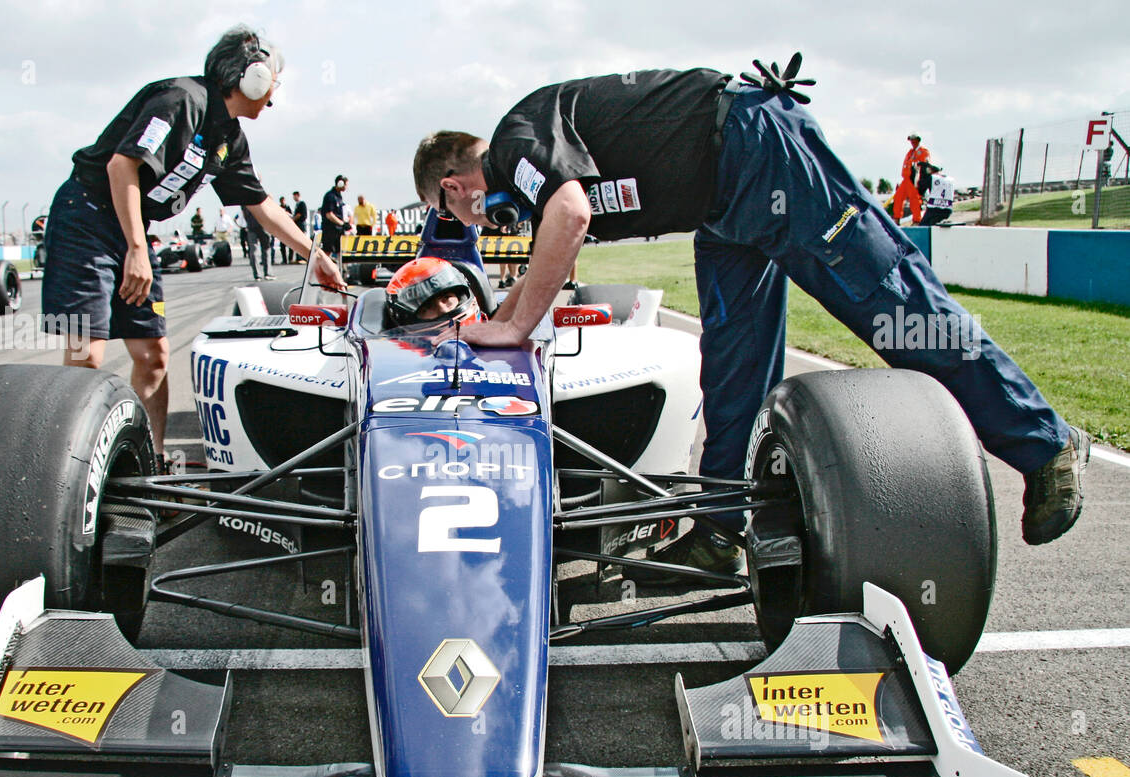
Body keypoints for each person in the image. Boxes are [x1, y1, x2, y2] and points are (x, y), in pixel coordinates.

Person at [412, 56, 1089, 561]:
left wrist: (510, 326)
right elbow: (559, 236)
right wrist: (509, 311)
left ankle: (1044, 441)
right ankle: (717, 531)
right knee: (732, 373)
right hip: (724, 199)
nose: (467, 221)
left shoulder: (509, 144)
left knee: (892, 305)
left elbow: (571, 213)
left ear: (450, 186)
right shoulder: (521, 159)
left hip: (755, 147)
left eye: (451, 210)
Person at [41, 26, 343, 456]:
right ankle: (64, 467)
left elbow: (263, 206)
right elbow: (120, 167)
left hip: (131, 229)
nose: (275, 92)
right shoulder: (181, 99)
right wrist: (137, 250)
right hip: (86, 216)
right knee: (85, 352)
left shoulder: (229, 137)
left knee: (153, 355)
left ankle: (151, 466)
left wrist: (316, 258)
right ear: (252, 76)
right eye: (273, 79)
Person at [385, 257, 484, 327]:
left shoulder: (496, 333)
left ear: (461, 295)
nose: (443, 309)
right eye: (428, 307)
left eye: (446, 297)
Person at [892, 133, 930, 225]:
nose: (912, 142)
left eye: (914, 140)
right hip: (905, 179)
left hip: (914, 179)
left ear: (918, 140)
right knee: (898, 197)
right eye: (911, 140)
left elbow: (924, 166)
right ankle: (896, 219)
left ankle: (916, 220)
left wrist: (918, 180)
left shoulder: (923, 151)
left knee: (914, 199)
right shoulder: (910, 152)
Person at [320, 174, 348, 256]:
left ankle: (340, 268)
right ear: (340, 183)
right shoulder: (330, 196)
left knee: (339, 251)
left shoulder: (338, 197)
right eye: (345, 184)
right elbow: (329, 215)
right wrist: (342, 223)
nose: (346, 187)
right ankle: (323, 268)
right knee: (327, 251)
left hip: (338, 230)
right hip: (330, 229)